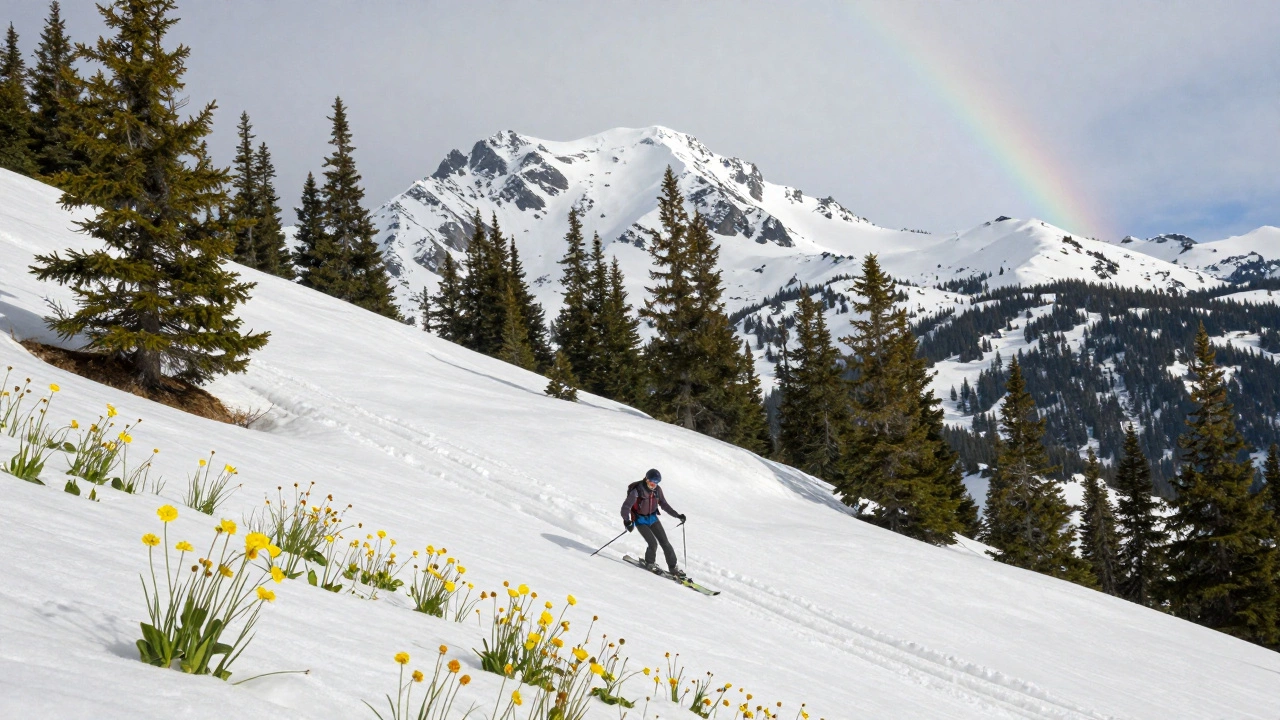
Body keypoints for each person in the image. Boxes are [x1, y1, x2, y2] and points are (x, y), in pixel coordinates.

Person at [621, 468, 687, 577]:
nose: (653, 486)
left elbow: (664, 504)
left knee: (665, 543)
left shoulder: (657, 490)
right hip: (640, 520)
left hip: (653, 518)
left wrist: (677, 515)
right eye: (651, 483)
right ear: (646, 479)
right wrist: (627, 521)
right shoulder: (637, 490)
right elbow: (626, 507)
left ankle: (673, 568)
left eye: (656, 484)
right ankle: (650, 563)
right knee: (653, 543)